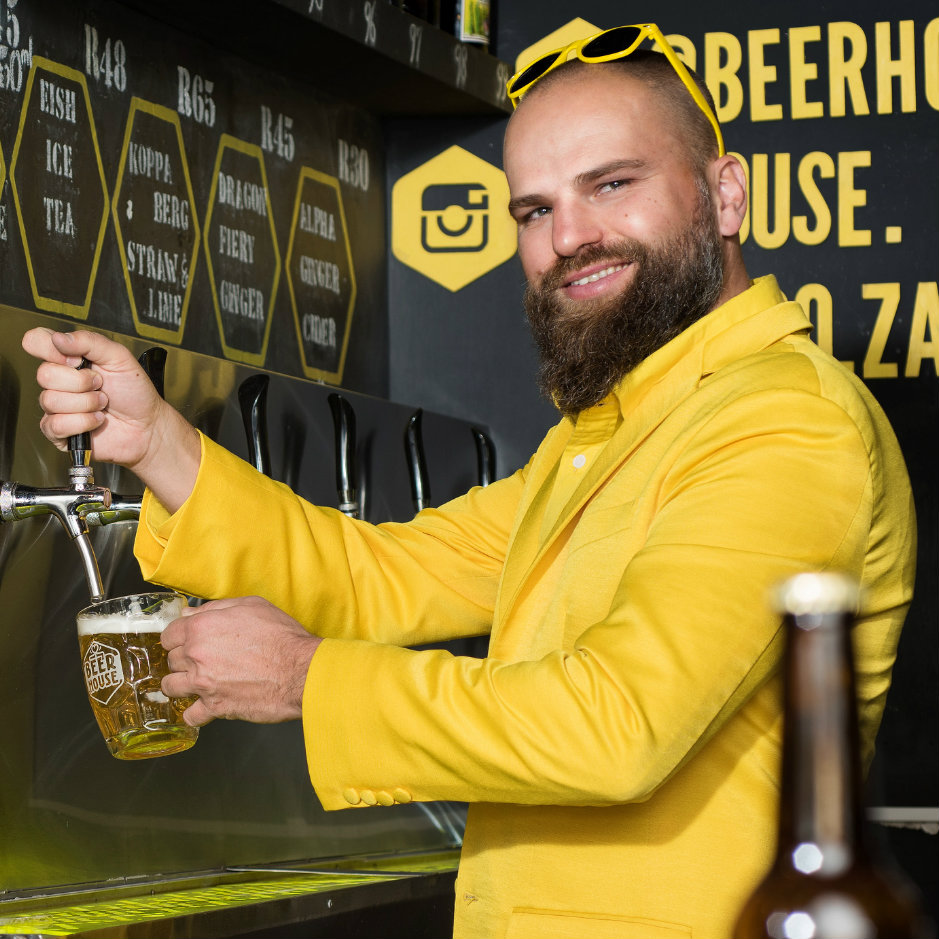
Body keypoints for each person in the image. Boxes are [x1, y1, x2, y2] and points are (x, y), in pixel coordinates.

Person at [23, 27, 915, 939]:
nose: (568, 237)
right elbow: (378, 576)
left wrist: (303, 677)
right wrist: (159, 443)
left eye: (611, 184)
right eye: (534, 209)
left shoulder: (785, 421)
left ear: (725, 194)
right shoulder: (613, 438)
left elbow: (616, 726)